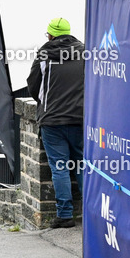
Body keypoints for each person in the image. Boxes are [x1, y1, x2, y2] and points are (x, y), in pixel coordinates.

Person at [26, 17, 85, 229]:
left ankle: (65, 215)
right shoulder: (86, 52)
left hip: (52, 120)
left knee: (60, 168)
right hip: (81, 118)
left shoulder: (44, 55)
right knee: (81, 165)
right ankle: (90, 211)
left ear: (50, 35)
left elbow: (33, 86)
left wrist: (45, 104)